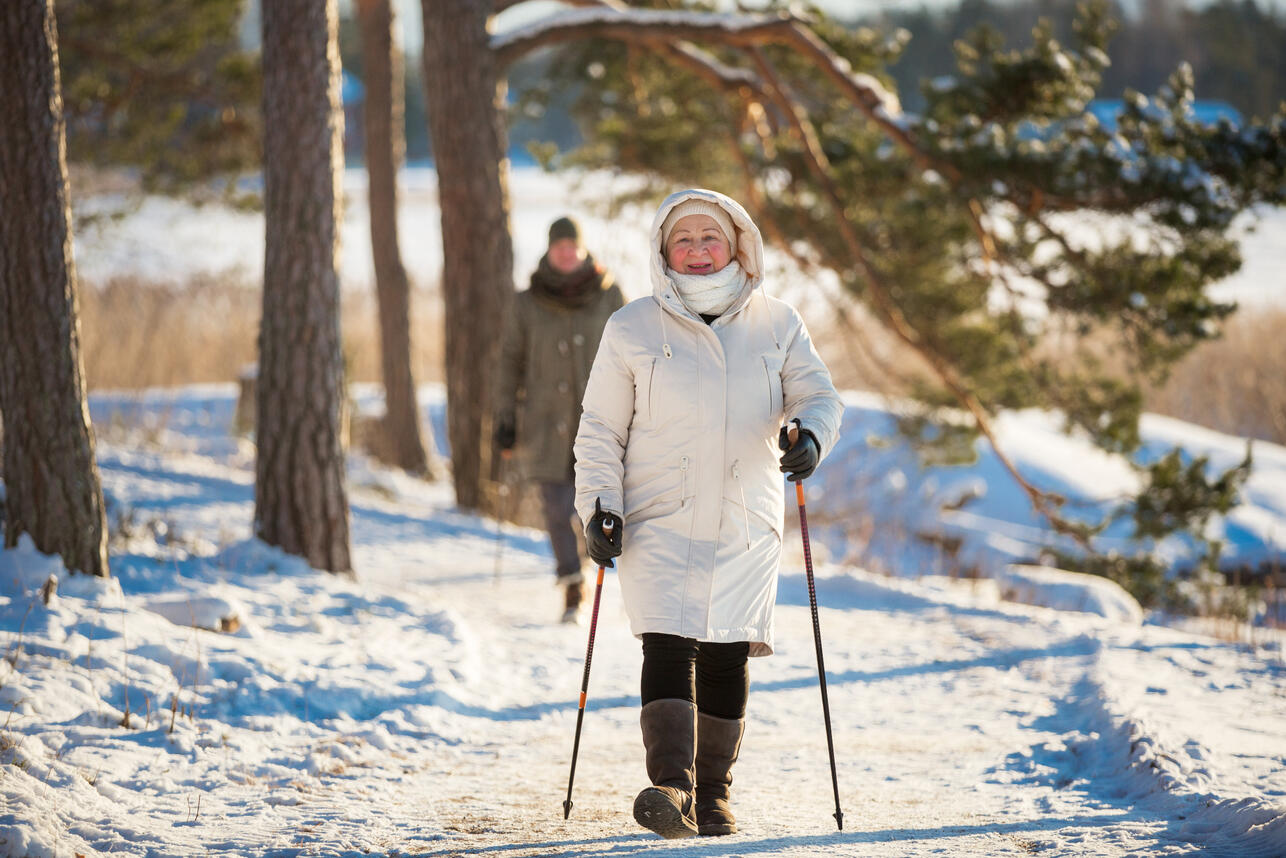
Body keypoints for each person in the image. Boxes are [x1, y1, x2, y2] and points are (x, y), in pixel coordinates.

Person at [573, 189, 843, 838]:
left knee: (726, 653)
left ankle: (714, 797)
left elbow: (817, 394)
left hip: (744, 518)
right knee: (666, 641)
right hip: (656, 517)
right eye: (682, 239)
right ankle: (672, 785)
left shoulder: (778, 324)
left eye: (709, 237)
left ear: (737, 245)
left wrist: (809, 436)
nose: (697, 250)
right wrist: (599, 508)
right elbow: (600, 430)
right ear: (663, 253)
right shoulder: (632, 327)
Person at [494, 216, 625, 623]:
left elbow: (636, 354)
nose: (566, 252)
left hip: (601, 420)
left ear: (583, 250)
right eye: (559, 246)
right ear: (550, 251)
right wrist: (505, 420)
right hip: (543, 422)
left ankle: (593, 561)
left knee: (595, 500)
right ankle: (571, 583)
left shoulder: (609, 294)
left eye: (573, 246)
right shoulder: (527, 301)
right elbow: (509, 362)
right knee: (555, 506)